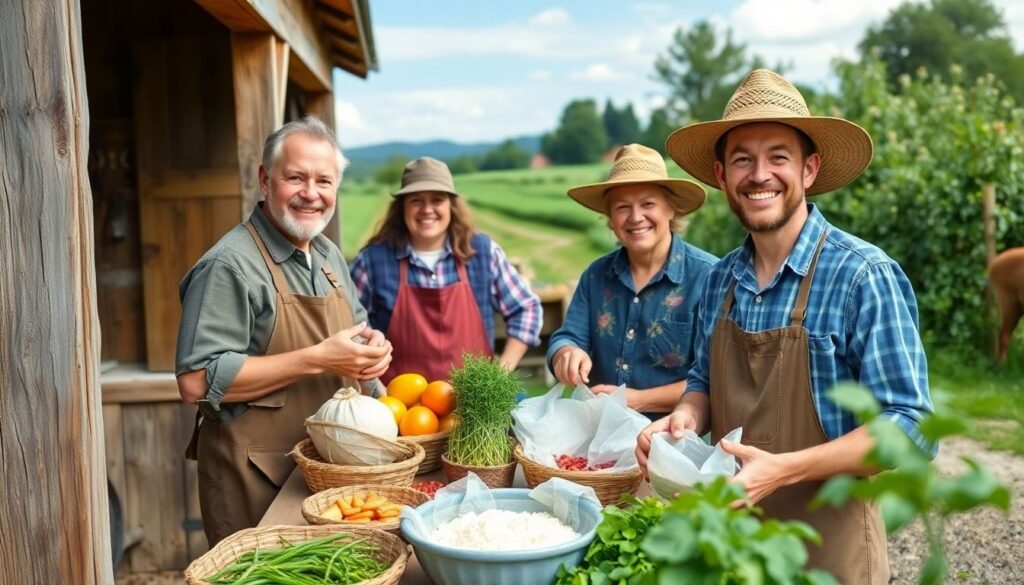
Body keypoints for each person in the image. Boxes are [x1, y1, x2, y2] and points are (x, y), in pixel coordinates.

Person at [636, 69, 935, 583]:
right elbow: (703, 381)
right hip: (736, 553)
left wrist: (784, 469)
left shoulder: (861, 276)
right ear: (722, 175)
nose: (760, 175)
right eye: (742, 160)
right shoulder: (719, 280)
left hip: (832, 557)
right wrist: (682, 418)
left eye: (778, 157)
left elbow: (911, 428)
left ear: (809, 169)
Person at [175, 115, 392, 545]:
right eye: (296, 177)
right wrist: (319, 359)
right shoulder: (229, 266)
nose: (311, 193)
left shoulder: (328, 255)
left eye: (324, 181)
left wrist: (372, 351)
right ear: (265, 180)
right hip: (257, 485)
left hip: (329, 479)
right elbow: (195, 381)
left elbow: (356, 329)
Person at [547, 143, 717, 415]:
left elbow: (716, 378)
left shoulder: (709, 277)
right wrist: (566, 353)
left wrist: (636, 400)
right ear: (610, 218)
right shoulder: (596, 276)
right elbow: (568, 336)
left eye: (648, 204)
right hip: (601, 434)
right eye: (623, 207)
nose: (636, 217)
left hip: (675, 437)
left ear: (671, 209)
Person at [349, 157, 541, 383]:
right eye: (416, 200)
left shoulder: (483, 253)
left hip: (473, 401)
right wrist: (373, 384)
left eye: (437, 199)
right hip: (397, 401)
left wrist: (500, 374)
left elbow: (526, 309)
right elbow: (349, 329)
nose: (427, 210)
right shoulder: (372, 261)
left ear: (451, 205)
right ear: (402, 208)